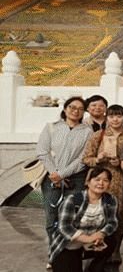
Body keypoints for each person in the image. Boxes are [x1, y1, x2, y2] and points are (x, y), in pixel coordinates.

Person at [37, 96, 93, 250]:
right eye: (72, 107)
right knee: (52, 216)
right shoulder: (51, 127)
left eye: (80, 109)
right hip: (51, 178)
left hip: (75, 179)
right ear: (65, 109)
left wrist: (62, 174)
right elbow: (42, 151)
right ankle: (55, 250)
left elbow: (82, 158)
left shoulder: (87, 131)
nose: (76, 111)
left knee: (72, 217)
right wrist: (54, 174)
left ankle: (70, 253)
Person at [82, 104, 123, 261]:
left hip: (120, 180)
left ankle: (115, 249)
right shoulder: (99, 135)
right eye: (111, 116)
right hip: (99, 179)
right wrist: (98, 159)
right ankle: (94, 247)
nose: (115, 119)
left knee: (119, 214)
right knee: (96, 212)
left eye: (119, 116)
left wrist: (121, 162)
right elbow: (86, 159)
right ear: (107, 118)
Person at [49, 168, 117, 272]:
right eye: (97, 179)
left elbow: (112, 223)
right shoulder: (73, 200)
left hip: (94, 240)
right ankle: (68, 261)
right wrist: (87, 239)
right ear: (88, 182)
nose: (101, 183)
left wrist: (101, 234)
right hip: (70, 243)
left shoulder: (110, 200)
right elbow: (64, 227)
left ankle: (95, 268)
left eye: (105, 180)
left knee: (111, 239)